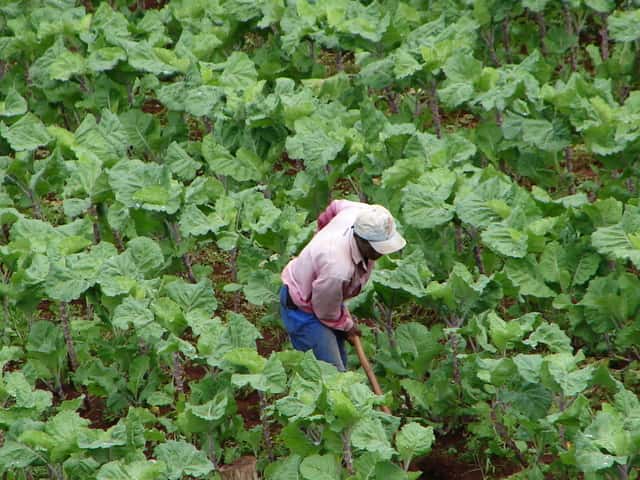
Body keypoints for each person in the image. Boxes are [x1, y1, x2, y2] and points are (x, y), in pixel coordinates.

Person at [279, 199, 406, 371]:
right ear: (361, 240)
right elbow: (325, 311)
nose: (381, 253)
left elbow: (335, 206)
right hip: (304, 308)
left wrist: (321, 235)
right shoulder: (337, 268)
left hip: (327, 294)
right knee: (330, 374)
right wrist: (347, 326)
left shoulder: (367, 215)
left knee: (339, 365)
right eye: (377, 248)